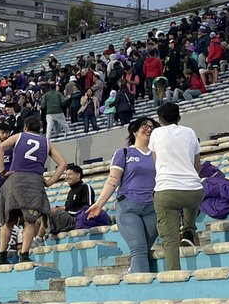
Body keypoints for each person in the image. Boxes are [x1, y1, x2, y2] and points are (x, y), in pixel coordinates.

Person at [86, 117, 158, 273]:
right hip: (129, 206)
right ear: (134, 131)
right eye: (144, 126)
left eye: (152, 127)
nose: (148, 129)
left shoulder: (157, 154)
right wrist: (99, 204)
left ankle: (134, 273)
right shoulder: (124, 152)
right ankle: (143, 287)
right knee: (138, 249)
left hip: (152, 207)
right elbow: (113, 179)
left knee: (144, 247)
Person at [0, 115, 66, 263]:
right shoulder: (47, 142)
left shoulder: (19, 136)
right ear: (39, 129)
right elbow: (63, 164)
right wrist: (50, 182)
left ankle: (2, 255)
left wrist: (2, 172)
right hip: (35, 181)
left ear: (25, 127)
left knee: (9, 221)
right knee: (30, 221)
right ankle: (24, 255)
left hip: (15, 180)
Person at [150, 101, 203, 271]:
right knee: (190, 197)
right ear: (179, 117)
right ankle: (189, 228)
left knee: (170, 240)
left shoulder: (156, 134)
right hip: (194, 190)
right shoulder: (190, 132)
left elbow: (155, 161)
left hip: (167, 190)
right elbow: (197, 164)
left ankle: (174, 273)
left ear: (160, 120)